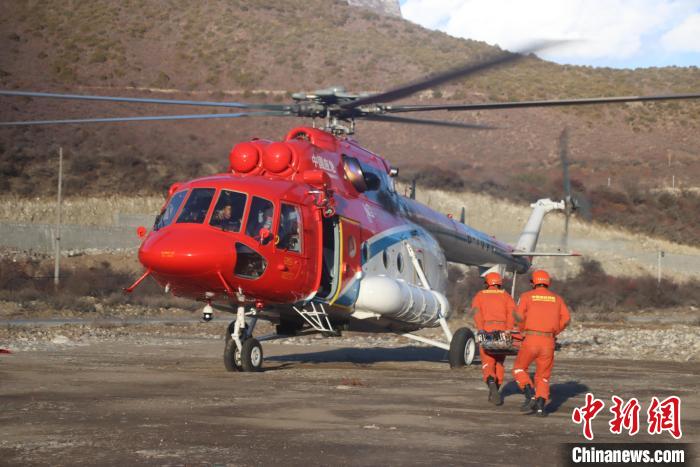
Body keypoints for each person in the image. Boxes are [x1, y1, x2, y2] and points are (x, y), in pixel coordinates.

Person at [512, 269, 571, 417]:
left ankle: (529, 394)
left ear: (533, 283)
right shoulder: (557, 299)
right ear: (547, 283)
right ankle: (540, 407)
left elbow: (518, 317)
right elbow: (566, 319)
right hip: (548, 342)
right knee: (543, 376)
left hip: (531, 339)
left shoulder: (526, 296)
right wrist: (555, 332)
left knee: (519, 368)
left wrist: (522, 330)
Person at [471, 272, 516, 406]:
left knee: (488, 361)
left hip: (487, 330)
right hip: (502, 331)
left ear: (487, 283)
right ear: (499, 283)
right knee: (499, 362)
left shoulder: (480, 295)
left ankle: (491, 382)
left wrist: (480, 329)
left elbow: (476, 313)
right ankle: (496, 388)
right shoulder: (506, 295)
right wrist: (508, 329)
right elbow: (513, 313)